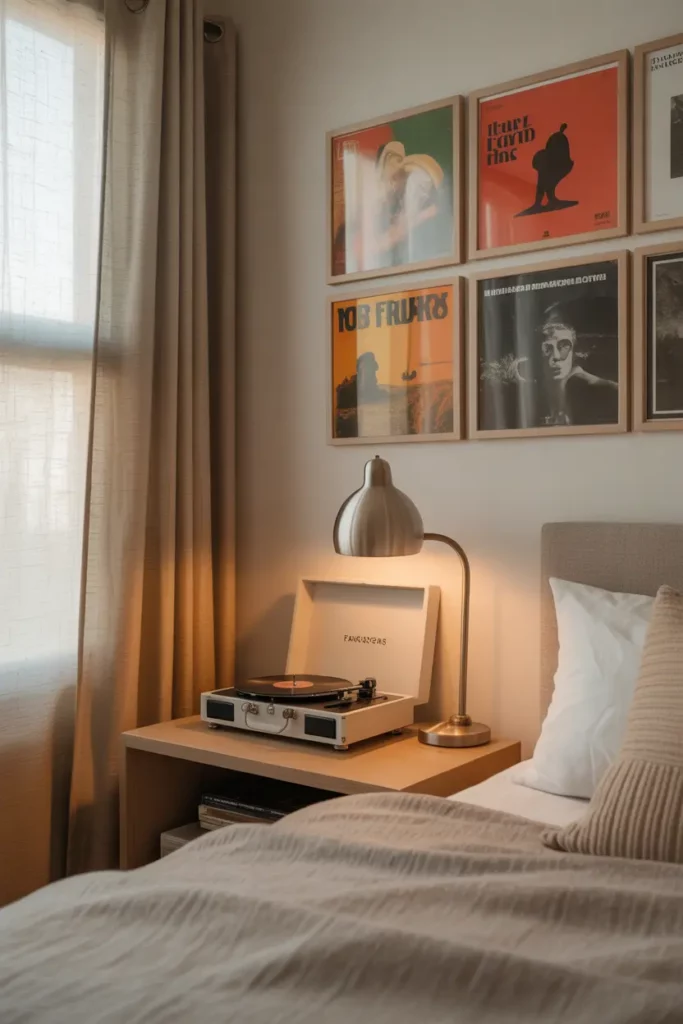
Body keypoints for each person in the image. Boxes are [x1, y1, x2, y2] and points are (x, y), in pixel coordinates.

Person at [539, 316, 618, 426]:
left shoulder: (593, 390)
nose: (556, 356)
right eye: (547, 349)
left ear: (573, 352)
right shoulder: (527, 399)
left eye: (564, 346)